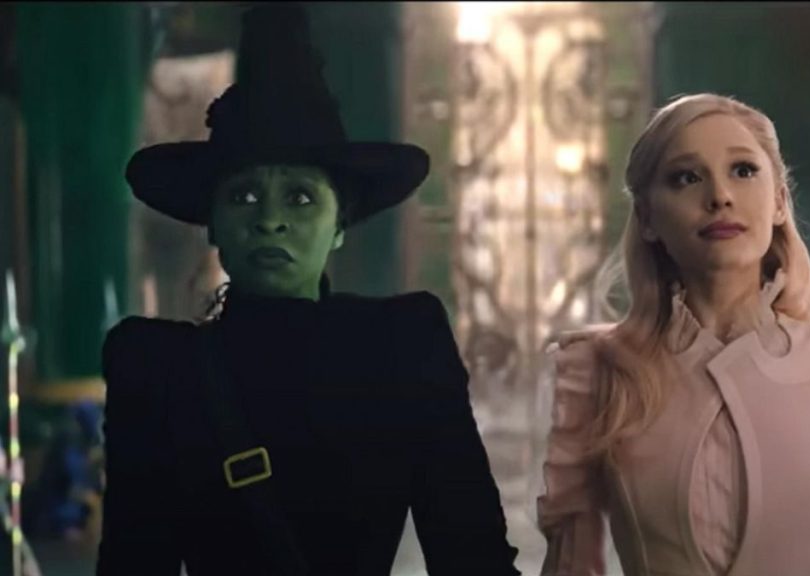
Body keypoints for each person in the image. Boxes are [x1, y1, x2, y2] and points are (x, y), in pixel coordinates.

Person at [96, 5, 519, 575]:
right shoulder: (157, 367)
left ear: (340, 224)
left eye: (300, 197)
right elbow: (132, 562)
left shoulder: (402, 348)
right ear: (212, 223)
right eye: (244, 196)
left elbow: (473, 556)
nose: (270, 220)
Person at [535, 93, 810, 575]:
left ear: (779, 201)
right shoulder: (594, 371)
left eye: (743, 170)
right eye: (686, 177)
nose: (719, 196)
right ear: (648, 218)